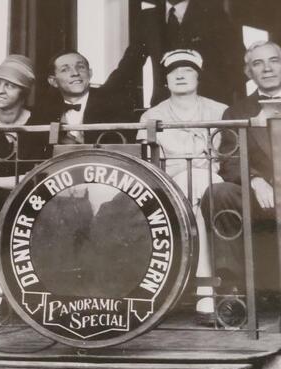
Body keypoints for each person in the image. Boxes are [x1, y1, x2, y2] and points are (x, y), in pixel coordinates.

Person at [137, 49, 227, 322]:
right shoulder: (152, 115)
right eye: (174, 70)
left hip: (209, 181)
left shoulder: (219, 110)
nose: (180, 75)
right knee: (193, 194)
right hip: (170, 183)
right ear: (165, 80)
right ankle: (204, 288)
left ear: (198, 76)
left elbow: (225, 156)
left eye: (187, 70)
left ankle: (191, 285)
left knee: (203, 191)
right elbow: (148, 161)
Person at [201, 40, 281, 299]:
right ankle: (232, 293)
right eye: (258, 63)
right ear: (249, 72)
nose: (267, 68)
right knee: (218, 193)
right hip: (263, 197)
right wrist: (256, 181)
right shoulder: (237, 111)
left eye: (274, 60)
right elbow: (229, 161)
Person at [104, 0, 243, 107]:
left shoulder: (213, 15)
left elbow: (240, 64)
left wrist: (216, 92)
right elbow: (129, 66)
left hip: (208, 107)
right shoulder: (147, 18)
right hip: (163, 108)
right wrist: (97, 96)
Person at [0, 54, 35, 317]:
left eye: (9, 85)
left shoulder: (39, 122)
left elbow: (39, 173)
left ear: (23, 91)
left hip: (29, 198)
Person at [27, 50, 136, 158]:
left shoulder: (115, 104)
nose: (75, 73)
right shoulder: (43, 109)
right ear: (53, 81)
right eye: (65, 70)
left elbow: (122, 151)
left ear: (90, 73)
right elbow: (30, 151)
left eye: (81, 67)